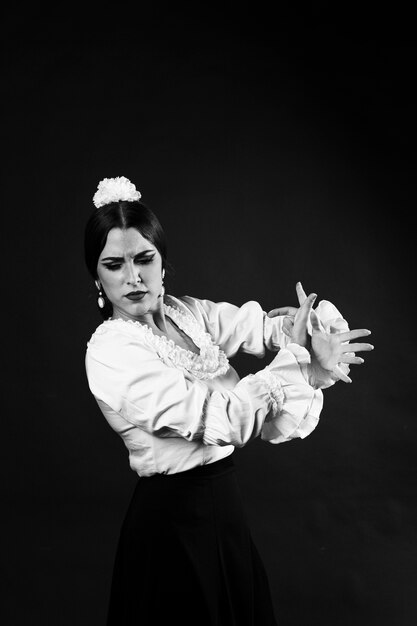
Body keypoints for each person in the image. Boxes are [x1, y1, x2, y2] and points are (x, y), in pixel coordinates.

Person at [84, 176, 373, 626]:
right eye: (114, 265)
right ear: (97, 276)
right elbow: (222, 419)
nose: (133, 277)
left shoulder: (187, 313)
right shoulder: (111, 350)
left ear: (163, 262)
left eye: (144, 259)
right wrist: (303, 365)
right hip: (170, 521)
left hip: (224, 504)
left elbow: (255, 326)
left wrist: (309, 333)